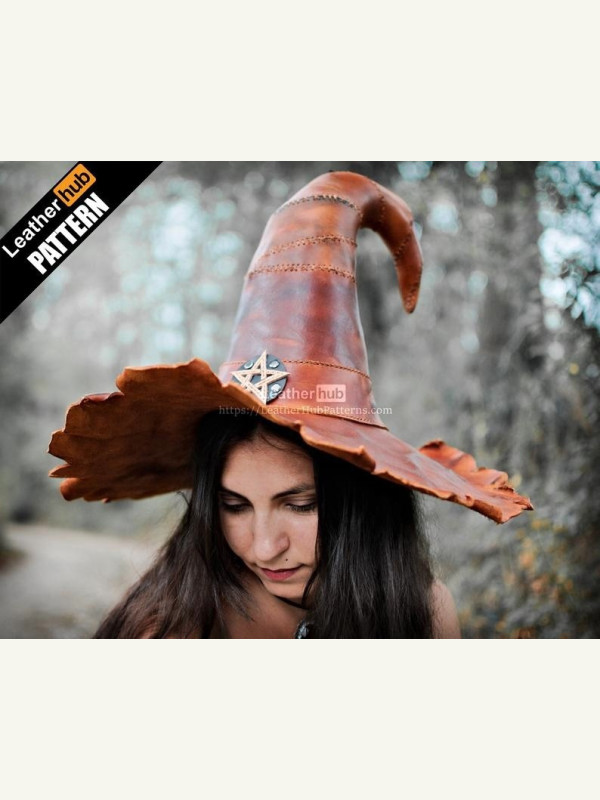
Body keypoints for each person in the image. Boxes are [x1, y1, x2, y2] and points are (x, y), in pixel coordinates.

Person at [49, 170, 532, 638]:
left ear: (364, 496)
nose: (264, 547)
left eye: (300, 505)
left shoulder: (422, 613)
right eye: (233, 505)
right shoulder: (173, 626)